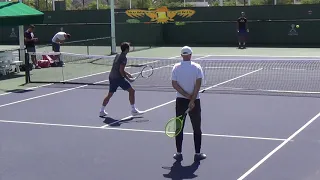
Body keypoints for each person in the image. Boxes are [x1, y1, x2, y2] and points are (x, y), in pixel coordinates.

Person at [171, 46, 206, 161]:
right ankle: (198, 153)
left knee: (179, 127)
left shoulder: (176, 67)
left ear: (182, 55)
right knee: (196, 128)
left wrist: (186, 96)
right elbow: (198, 84)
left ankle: (178, 153)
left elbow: (174, 84)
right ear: (190, 55)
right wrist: (192, 100)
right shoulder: (197, 67)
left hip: (181, 101)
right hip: (195, 101)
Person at [99, 42, 144, 118]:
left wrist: (127, 73)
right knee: (132, 91)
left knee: (110, 94)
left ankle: (101, 111)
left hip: (112, 76)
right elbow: (120, 70)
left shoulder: (117, 55)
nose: (129, 49)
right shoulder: (124, 58)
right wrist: (128, 79)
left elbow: (117, 67)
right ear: (126, 49)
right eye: (128, 48)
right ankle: (133, 110)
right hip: (118, 78)